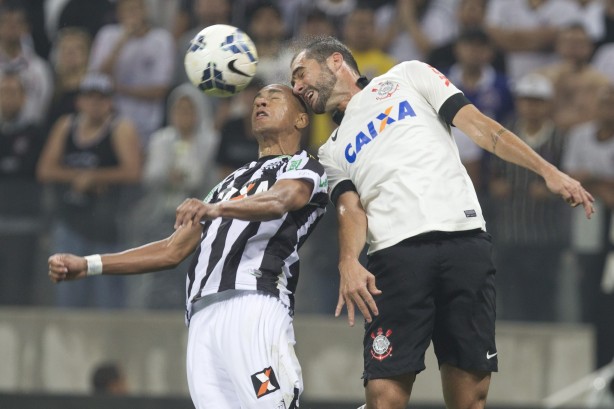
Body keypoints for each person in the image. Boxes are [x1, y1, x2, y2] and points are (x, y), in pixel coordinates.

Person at [289, 36, 595, 409]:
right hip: (394, 258)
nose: (296, 87)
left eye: (300, 73)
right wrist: (348, 260)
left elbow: (479, 126)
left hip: (463, 241)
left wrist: (546, 170)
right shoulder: (331, 149)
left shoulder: (408, 76)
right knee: (383, 396)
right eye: (292, 82)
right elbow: (350, 209)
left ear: (336, 61)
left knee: (471, 396)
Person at [47, 84, 329, 409]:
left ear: (300, 120)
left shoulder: (303, 165)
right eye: (257, 99)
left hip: (253, 303)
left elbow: (283, 199)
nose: (261, 101)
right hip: (201, 317)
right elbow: (172, 250)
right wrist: (89, 264)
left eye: (274, 97)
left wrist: (217, 209)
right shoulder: (227, 183)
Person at [37, 72, 142, 309]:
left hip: (108, 225)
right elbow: (45, 169)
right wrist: (79, 177)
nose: (95, 103)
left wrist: (94, 178)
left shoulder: (120, 128)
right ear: (79, 101)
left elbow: (133, 171)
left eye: (101, 97)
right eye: (89, 97)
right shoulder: (66, 125)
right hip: (70, 220)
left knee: (107, 298)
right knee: (69, 295)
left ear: (110, 102)